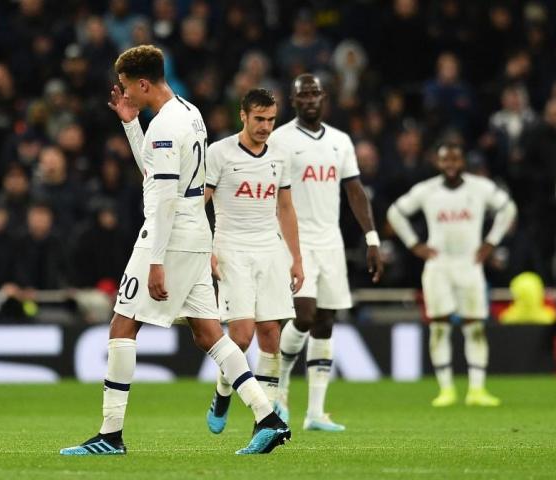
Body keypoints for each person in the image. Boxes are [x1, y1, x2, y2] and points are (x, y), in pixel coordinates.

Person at [60, 45, 289, 456]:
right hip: (196, 235)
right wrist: (131, 126)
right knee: (209, 334)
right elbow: (155, 173)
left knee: (122, 326)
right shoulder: (189, 112)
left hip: (169, 236)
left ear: (144, 83)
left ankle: (110, 435)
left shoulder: (166, 128)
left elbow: (163, 197)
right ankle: (267, 416)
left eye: (129, 88)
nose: (126, 95)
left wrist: (156, 260)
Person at [267, 74, 384, 431]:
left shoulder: (340, 141)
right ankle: (280, 390)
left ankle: (316, 412)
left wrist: (372, 238)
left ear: (325, 98)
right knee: (303, 315)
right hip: (293, 242)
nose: (311, 99)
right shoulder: (280, 140)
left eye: (316, 93)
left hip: (330, 241)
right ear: (293, 100)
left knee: (326, 322)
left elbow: (355, 191)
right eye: (303, 95)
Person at [203, 88, 304, 435]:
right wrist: (207, 250)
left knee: (270, 334)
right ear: (242, 115)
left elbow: (286, 208)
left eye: (271, 120)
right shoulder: (219, 153)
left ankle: (267, 418)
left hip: (270, 248)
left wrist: (296, 258)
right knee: (242, 336)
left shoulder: (280, 154)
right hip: (231, 248)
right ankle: (223, 391)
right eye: (259, 119)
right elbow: (200, 203)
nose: (265, 126)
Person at [387, 144, 516, 407]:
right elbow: (395, 212)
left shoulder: (479, 187)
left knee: (475, 325)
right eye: (445, 159)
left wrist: (490, 242)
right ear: (438, 162)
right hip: (439, 265)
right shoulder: (427, 190)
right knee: (439, 325)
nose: (451, 164)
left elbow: (508, 208)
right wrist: (414, 245)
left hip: (470, 263)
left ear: (463, 161)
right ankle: (446, 389)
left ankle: (477, 390)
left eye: (455, 159)